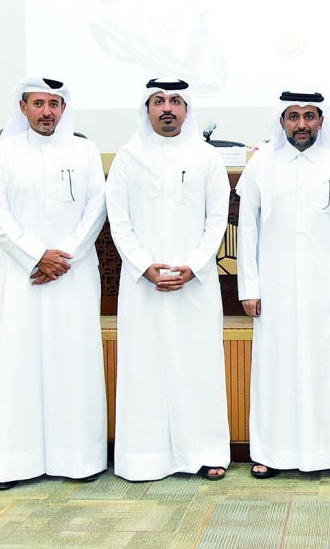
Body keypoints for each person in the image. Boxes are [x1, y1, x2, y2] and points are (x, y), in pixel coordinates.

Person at [0, 77, 107, 490]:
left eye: (54, 104)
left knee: (74, 361)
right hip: (24, 276)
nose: (47, 112)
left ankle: (79, 459)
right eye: (39, 104)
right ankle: (15, 463)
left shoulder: (85, 151)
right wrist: (37, 255)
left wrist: (62, 256)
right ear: (23, 107)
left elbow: (96, 208)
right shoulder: (1, 153)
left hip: (73, 273)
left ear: (63, 109)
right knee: (20, 363)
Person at [105, 78, 231, 482]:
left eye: (175, 101)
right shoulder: (128, 157)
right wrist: (144, 266)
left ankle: (205, 452)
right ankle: (144, 458)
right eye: (158, 101)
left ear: (187, 110)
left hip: (195, 284)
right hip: (143, 285)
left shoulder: (207, 157)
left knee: (198, 367)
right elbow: (119, 220)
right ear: (147, 110)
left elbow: (217, 219)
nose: (167, 108)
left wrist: (194, 265)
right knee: (145, 369)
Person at [236, 91, 330, 481]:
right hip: (273, 291)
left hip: (327, 293)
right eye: (293, 116)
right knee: (275, 370)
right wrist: (249, 288)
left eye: (310, 116)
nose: (302, 124)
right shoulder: (260, 167)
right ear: (282, 122)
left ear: (321, 121)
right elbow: (247, 231)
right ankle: (270, 452)